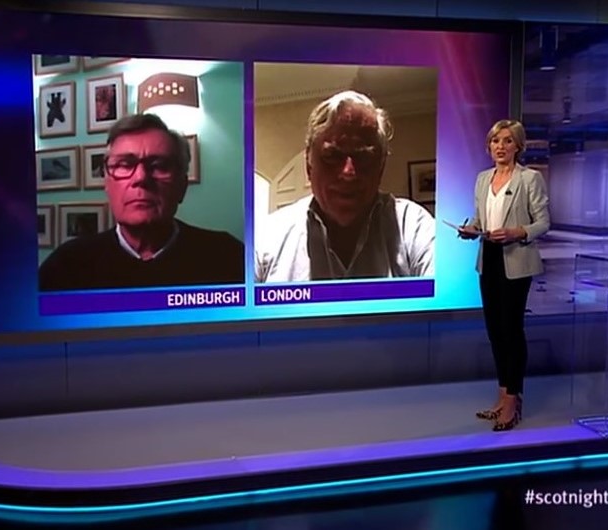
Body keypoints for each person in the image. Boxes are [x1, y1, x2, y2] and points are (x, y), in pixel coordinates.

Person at [39, 113, 244, 291]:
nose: (141, 178)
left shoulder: (228, 256)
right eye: (124, 165)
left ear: (182, 186)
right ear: (107, 184)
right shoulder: (64, 266)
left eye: (159, 165)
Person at [255, 91, 435, 282]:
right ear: (309, 163)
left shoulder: (413, 226)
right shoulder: (268, 236)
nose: (348, 173)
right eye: (332, 156)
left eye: (363, 157)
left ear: (381, 166)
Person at [457, 119, 550, 432]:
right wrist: (471, 229)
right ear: (489, 146)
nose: (500, 146)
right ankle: (501, 397)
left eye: (507, 141)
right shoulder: (483, 179)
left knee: (511, 331)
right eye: (496, 141)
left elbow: (543, 223)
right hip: (489, 259)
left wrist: (516, 232)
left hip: (517, 260)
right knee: (495, 331)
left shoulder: (530, 178)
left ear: (518, 146)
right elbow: (480, 218)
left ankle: (513, 400)